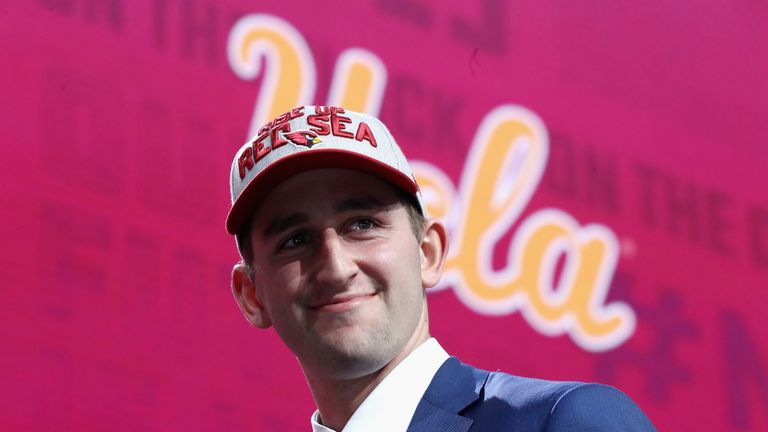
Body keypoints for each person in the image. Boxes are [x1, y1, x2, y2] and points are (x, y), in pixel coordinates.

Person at [226, 106, 656, 431]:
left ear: (428, 252)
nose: (336, 267)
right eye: (295, 240)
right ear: (252, 295)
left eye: (362, 224)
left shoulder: (561, 422)